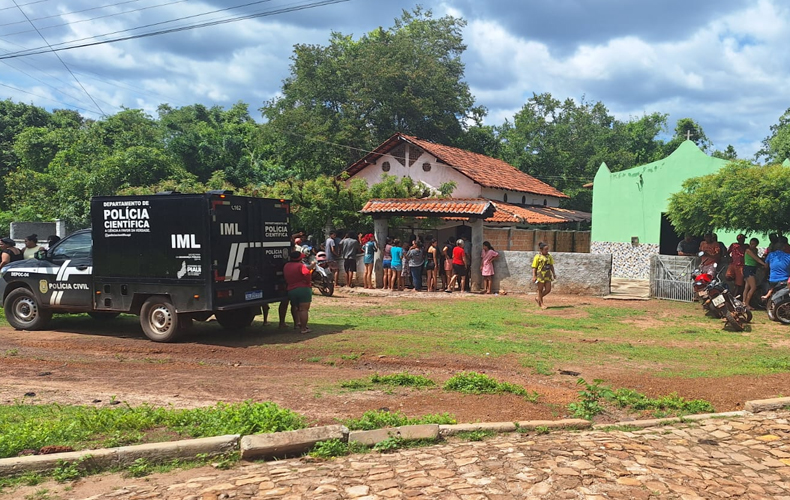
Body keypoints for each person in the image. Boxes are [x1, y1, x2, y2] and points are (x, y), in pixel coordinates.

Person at [283, 250, 314, 334]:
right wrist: (308, 282)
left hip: (291, 290)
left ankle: (296, 324)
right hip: (303, 289)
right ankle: (303, 328)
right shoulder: (300, 266)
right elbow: (306, 273)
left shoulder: (286, 265)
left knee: (295, 307)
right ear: (299, 258)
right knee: (303, 309)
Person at [762, 236, 790, 302]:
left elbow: (766, 266)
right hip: (784, 279)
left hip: (772, 279)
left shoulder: (771, 255)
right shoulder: (788, 256)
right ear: (783, 248)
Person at [743, 238, 766, 310]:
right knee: (753, 287)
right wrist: (764, 264)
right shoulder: (748, 250)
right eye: (751, 244)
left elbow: (756, 259)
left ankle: (744, 303)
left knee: (747, 287)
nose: (752, 245)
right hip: (748, 269)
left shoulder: (755, 250)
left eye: (753, 244)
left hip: (753, 268)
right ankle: (746, 303)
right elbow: (756, 258)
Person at [532, 241, 556, 309]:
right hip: (540, 275)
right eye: (545, 249)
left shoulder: (549, 256)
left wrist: (553, 273)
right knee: (540, 289)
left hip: (547, 274)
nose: (547, 251)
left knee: (548, 289)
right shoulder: (537, 257)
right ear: (541, 250)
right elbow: (534, 267)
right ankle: (541, 303)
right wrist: (534, 276)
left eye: (547, 249)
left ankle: (538, 298)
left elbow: (551, 265)